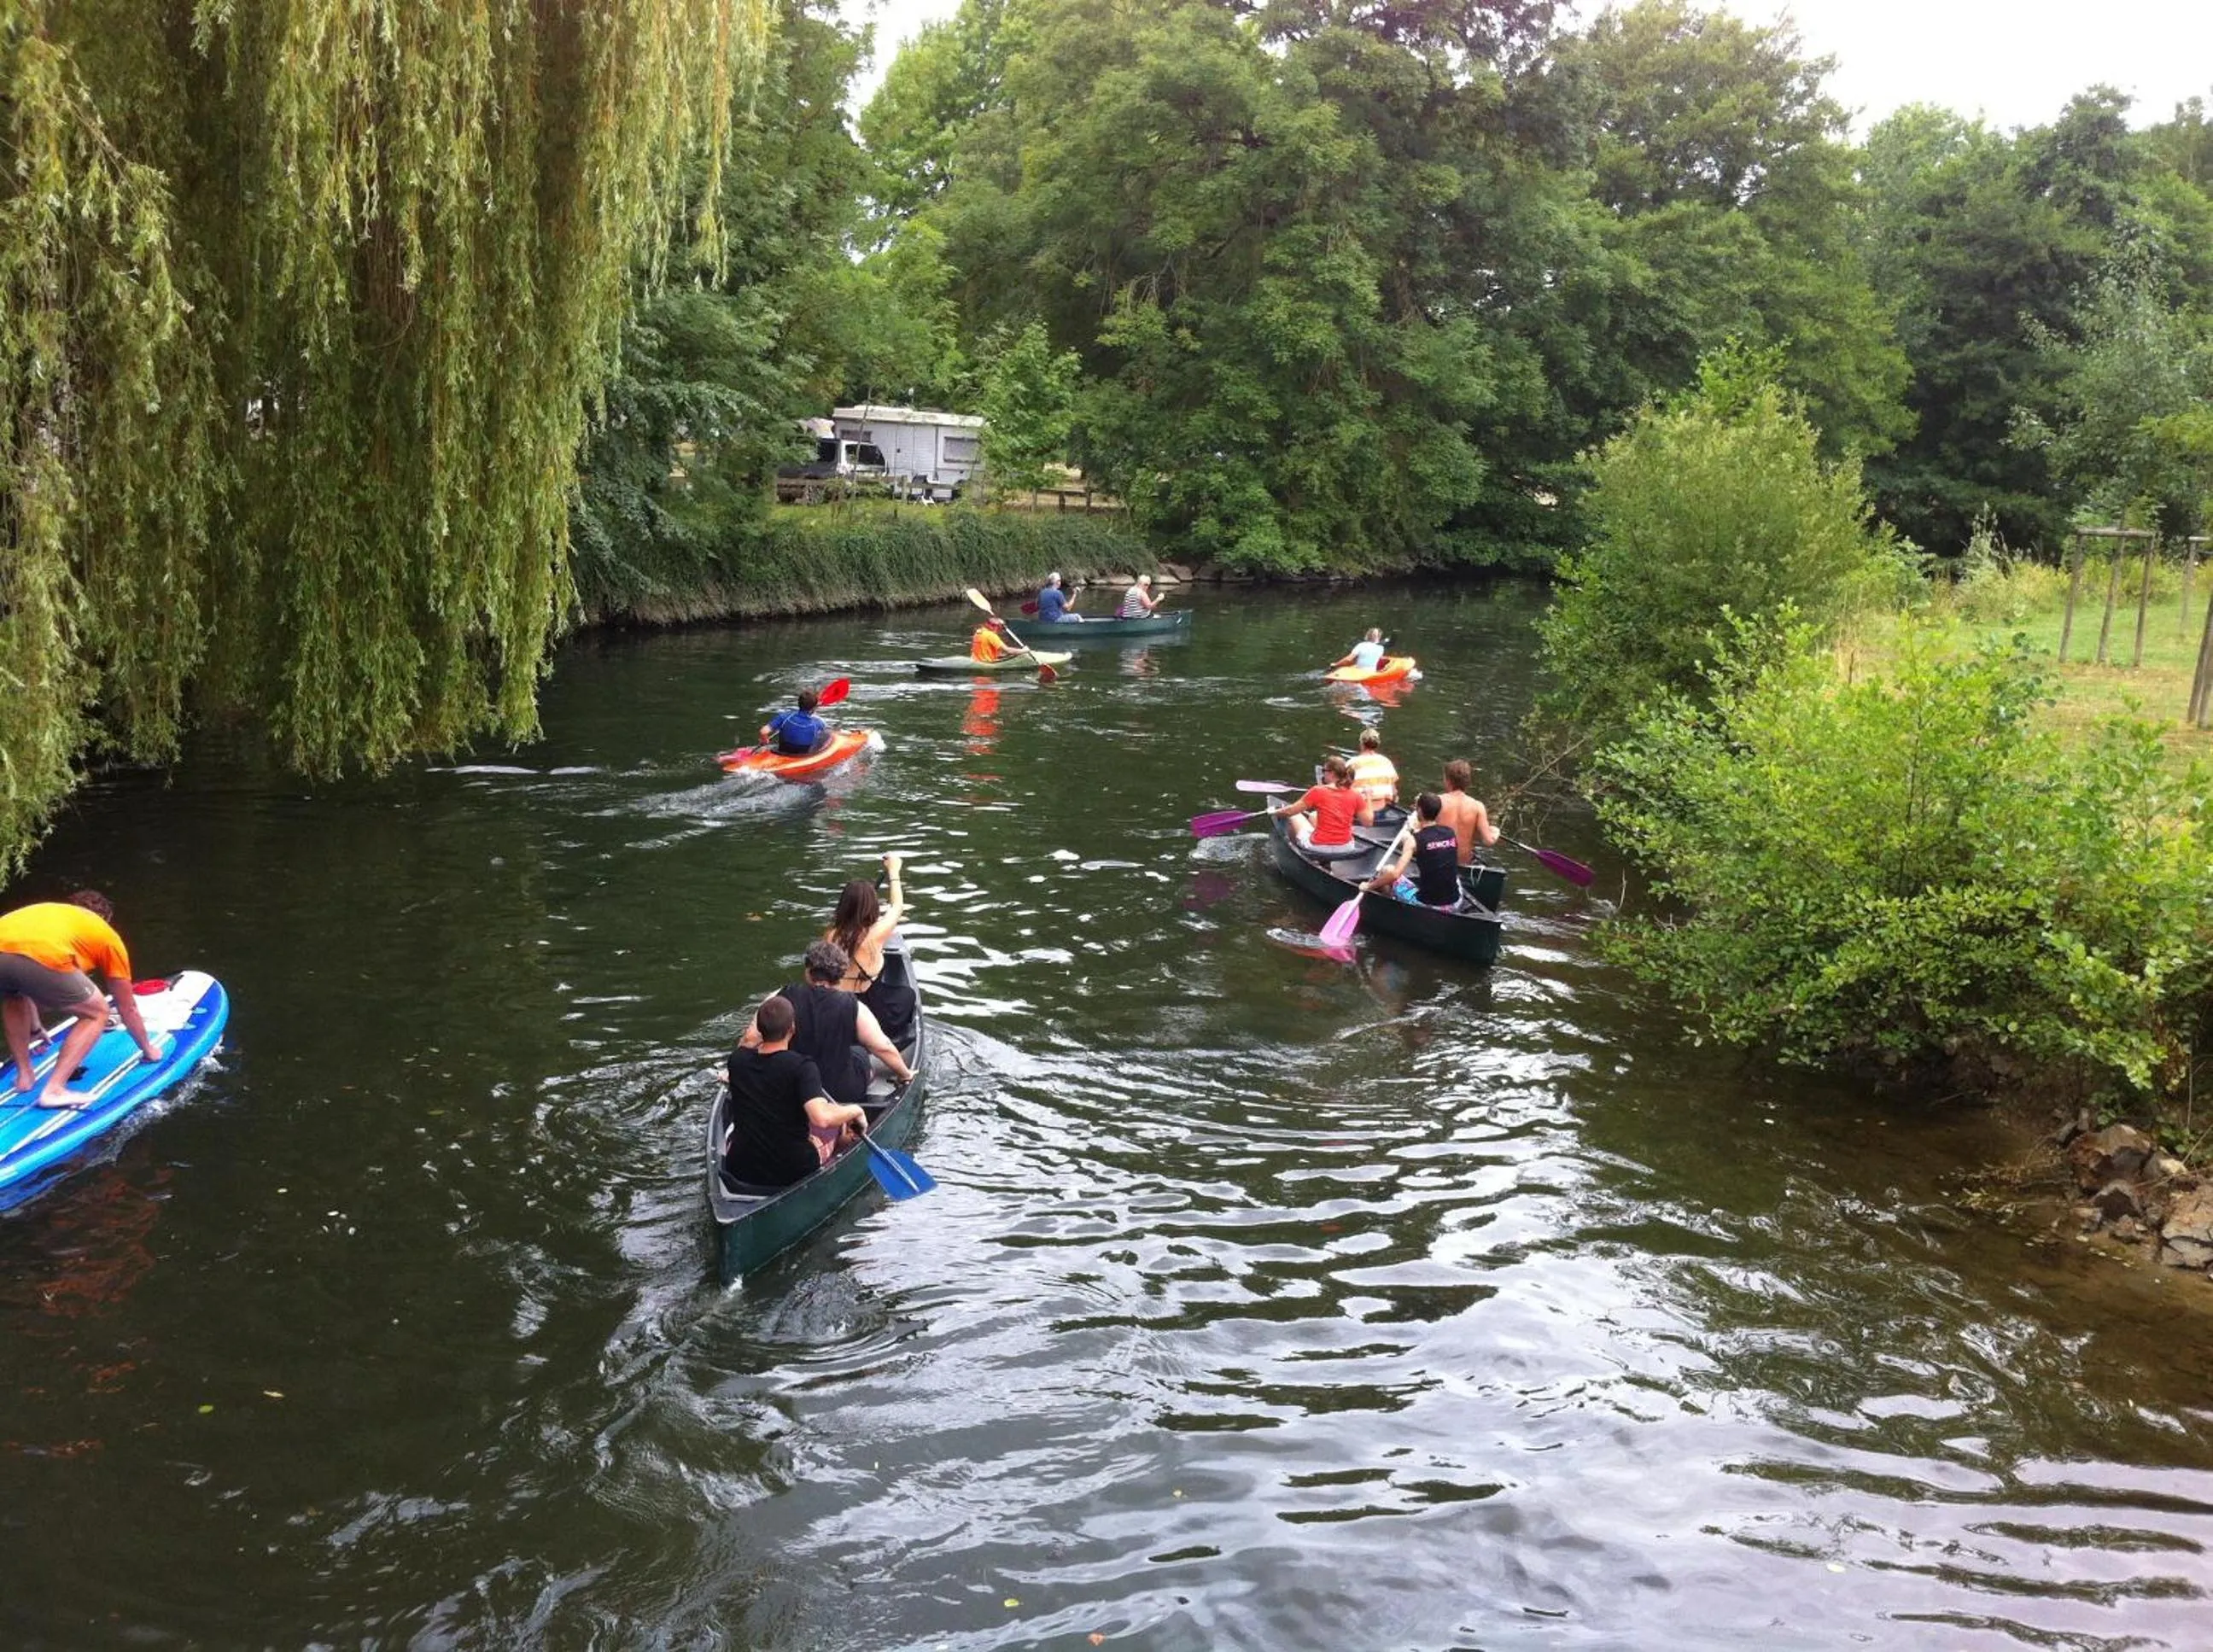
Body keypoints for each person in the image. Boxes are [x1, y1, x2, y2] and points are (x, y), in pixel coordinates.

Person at [0, 890, 163, 1108]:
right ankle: (55, 1091)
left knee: (13, 997)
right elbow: (128, 1006)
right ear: (105, 919)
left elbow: (21, 975)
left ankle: (24, 1077)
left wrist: (35, 1026)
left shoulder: (52, 913)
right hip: (42, 955)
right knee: (97, 1012)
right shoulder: (106, 935)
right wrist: (148, 1049)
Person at [741, 941, 914, 1106]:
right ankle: (868, 1076)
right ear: (841, 975)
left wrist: (734, 1071)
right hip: (841, 1092)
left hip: (791, 1086)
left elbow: (750, 1038)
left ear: (808, 971)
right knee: (860, 1051)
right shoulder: (854, 1006)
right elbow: (882, 1047)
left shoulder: (781, 997)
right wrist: (905, 1074)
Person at [723, 994, 868, 1187]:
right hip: (792, 1170)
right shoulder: (802, 1067)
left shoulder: (737, 1061)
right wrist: (856, 1110)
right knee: (835, 1130)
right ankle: (841, 1149)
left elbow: (749, 1044)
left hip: (740, 1167)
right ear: (792, 1028)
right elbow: (822, 1119)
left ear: (759, 1029)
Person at [823, 855, 919, 1046]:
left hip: (837, 1007)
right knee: (908, 995)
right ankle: (887, 1039)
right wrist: (894, 871)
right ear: (872, 908)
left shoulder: (830, 935)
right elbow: (897, 907)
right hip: (867, 1009)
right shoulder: (875, 935)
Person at [1363, 793, 1464, 909]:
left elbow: (1395, 874)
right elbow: (1433, 843)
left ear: (1419, 811)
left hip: (1429, 904)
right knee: (1454, 876)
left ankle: (1392, 907)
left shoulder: (1414, 840)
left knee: (1387, 870)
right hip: (1455, 902)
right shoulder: (1450, 832)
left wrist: (1369, 886)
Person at [1270, 755, 1374, 851]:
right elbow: (1368, 823)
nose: (1323, 774)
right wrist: (1368, 796)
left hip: (1319, 846)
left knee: (1295, 816)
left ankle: (1297, 850)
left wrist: (1275, 812)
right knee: (1313, 816)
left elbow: (1290, 811)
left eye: (1324, 770)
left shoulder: (1318, 791)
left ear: (1332, 773)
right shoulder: (1355, 794)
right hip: (1346, 847)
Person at [1437, 759, 1498, 865]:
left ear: (1448, 780)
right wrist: (1495, 831)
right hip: (1462, 863)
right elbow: (1488, 841)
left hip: (1439, 861)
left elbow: (1422, 831)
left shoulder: (1437, 801)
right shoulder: (1478, 806)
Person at [759, 688, 829, 756]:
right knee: (823, 737)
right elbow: (826, 734)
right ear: (813, 708)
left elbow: (763, 731)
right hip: (802, 755)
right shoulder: (818, 723)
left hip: (783, 751)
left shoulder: (785, 717)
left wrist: (764, 740)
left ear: (799, 703)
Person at [1346, 728, 1399, 811]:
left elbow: (1343, 789)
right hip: (1382, 809)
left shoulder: (1352, 763)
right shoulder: (1387, 762)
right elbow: (1394, 792)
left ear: (1361, 744)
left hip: (1359, 810)